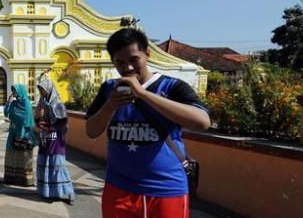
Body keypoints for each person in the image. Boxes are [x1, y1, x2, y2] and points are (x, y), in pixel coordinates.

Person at [85, 28, 210, 218]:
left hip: (165, 189)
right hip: (119, 187)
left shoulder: (172, 87)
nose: (127, 68)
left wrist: (143, 94)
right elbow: (91, 131)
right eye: (120, 62)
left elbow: (202, 122)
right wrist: (110, 106)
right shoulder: (110, 89)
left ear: (147, 54)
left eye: (134, 59)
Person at [35, 73, 76, 204]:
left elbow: (62, 124)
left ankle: (69, 193)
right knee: (46, 164)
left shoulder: (57, 104)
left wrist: (48, 128)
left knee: (58, 166)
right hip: (45, 138)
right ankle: (49, 192)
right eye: (39, 89)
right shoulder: (42, 103)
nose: (40, 92)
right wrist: (39, 121)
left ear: (48, 89)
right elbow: (38, 120)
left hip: (56, 139)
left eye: (42, 89)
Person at [3, 84, 36, 186]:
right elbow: (6, 113)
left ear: (20, 91)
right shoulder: (13, 103)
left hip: (24, 134)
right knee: (12, 155)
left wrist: (20, 134)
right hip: (13, 133)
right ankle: (11, 178)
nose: (14, 93)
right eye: (13, 91)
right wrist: (8, 102)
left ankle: (25, 180)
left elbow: (26, 121)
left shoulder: (27, 104)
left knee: (24, 157)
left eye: (15, 91)